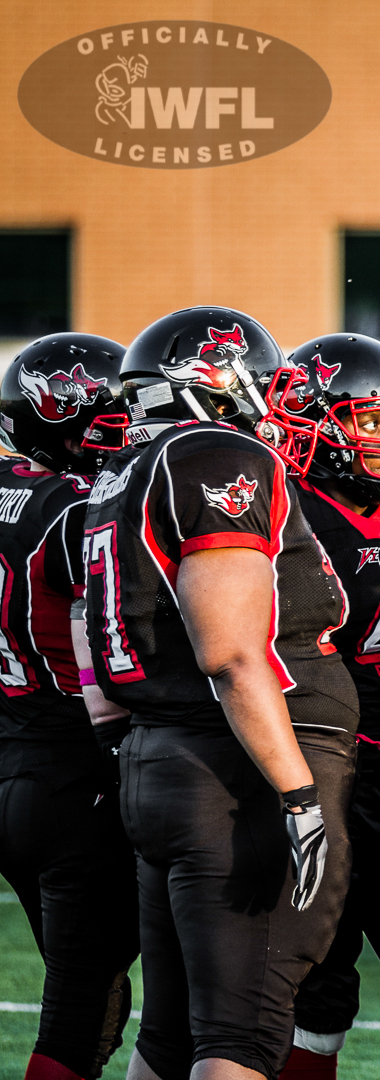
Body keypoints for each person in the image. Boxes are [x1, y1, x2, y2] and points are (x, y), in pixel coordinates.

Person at [83, 307, 359, 1080]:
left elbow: (87, 638)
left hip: (166, 758)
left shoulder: (121, 473)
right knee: (242, 1037)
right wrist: (298, 795)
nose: (270, 404)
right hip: (240, 779)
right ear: (215, 384)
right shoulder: (213, 453)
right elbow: (233, 654)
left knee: (172, 1038)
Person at [260, 335, 380, 1080]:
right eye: (375, 423)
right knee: (313, 996)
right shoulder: (280, 513)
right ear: (318, 423)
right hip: (317, 769)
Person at [0, 334, 136, 1080]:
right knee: (85, 1009)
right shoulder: (80, 508)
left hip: (9, 746)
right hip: (75, 768)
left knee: (85, 992)